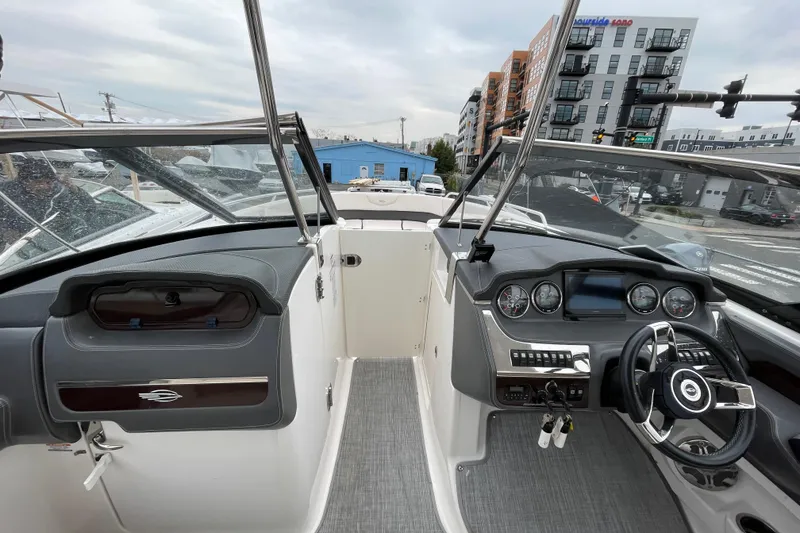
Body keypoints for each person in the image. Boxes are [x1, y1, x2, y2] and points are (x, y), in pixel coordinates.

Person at [0, 156, 96, 248]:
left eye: (49, 182)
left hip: (49, 241)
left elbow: (89, 207)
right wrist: (4, 231)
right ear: (24, 182)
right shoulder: (5, 192)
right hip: (12, 245)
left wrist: (73, 188)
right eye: (39, 182)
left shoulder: (58, 192)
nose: (45, 186)